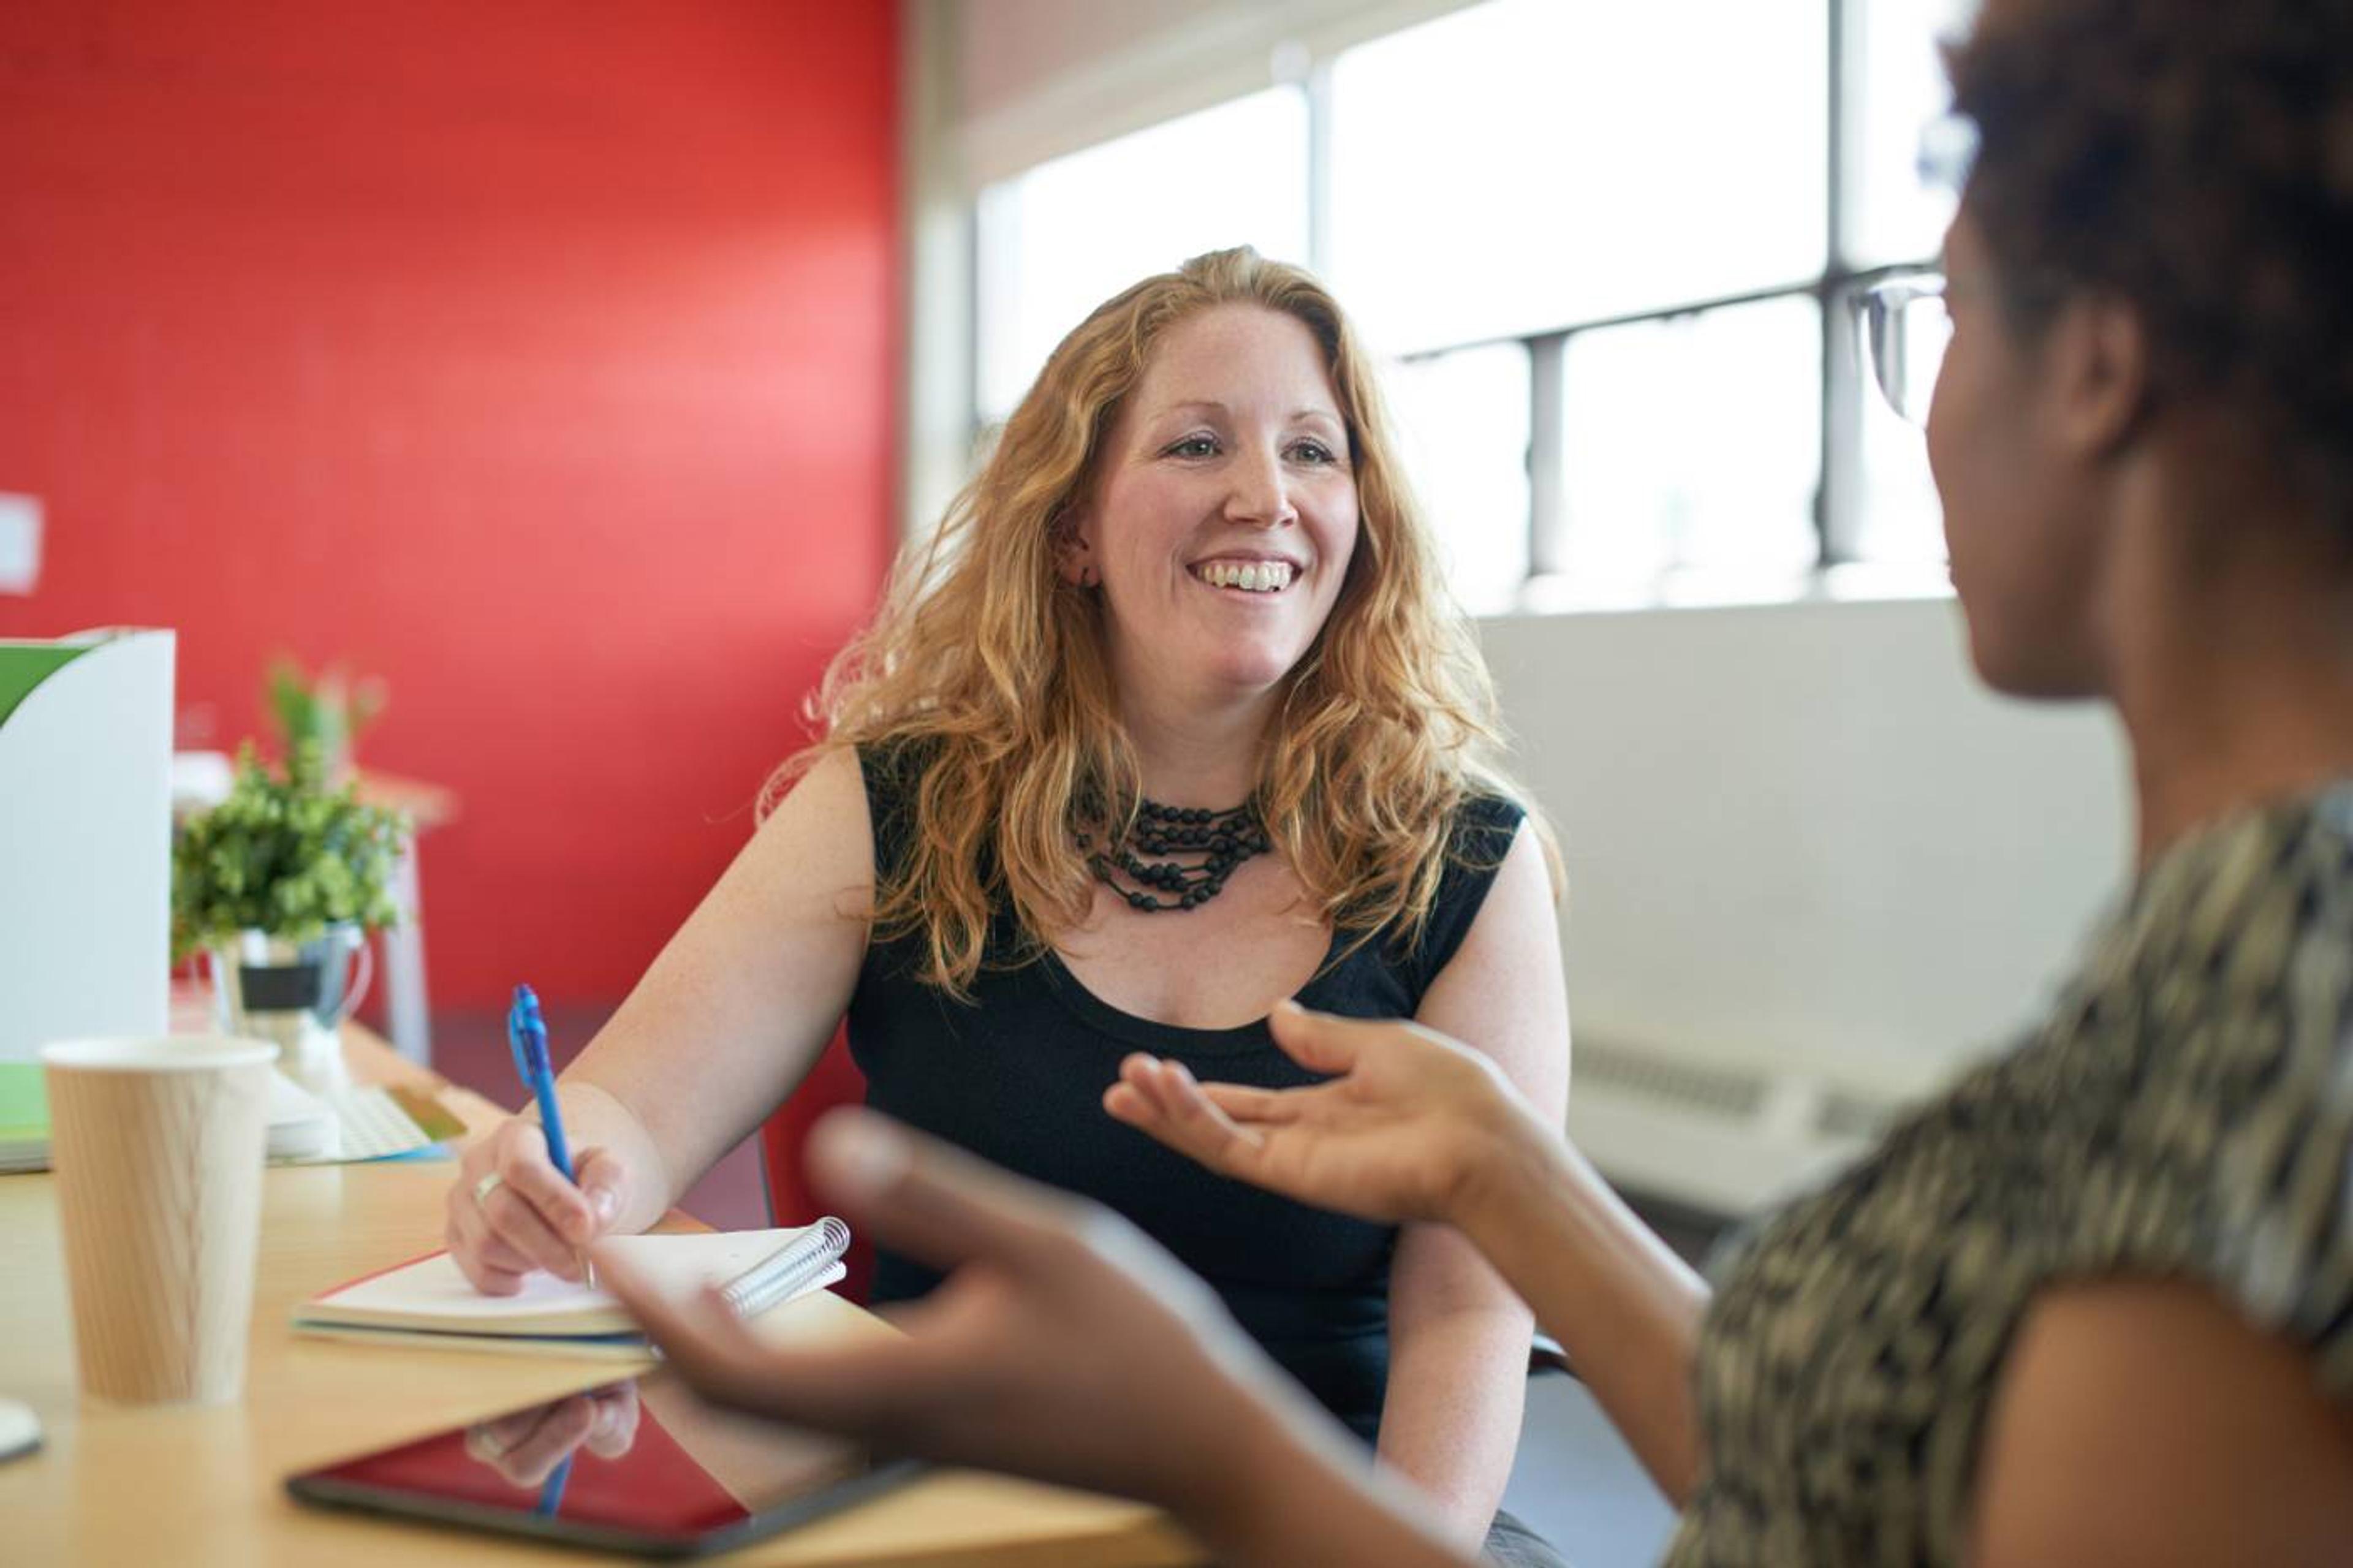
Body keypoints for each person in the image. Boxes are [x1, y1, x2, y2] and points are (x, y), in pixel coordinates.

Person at [601, 0, 2353, 1562]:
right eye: (1195, 443)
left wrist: (1203, 1432)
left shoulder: (2282, 978)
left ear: (2097, 368)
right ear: (1071, 527)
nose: (1922, 404)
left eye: (1943, 314)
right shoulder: (2217, 955)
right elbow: (1834, 1471)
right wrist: (1514, 1178)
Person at [445, 248, 1573, 1559]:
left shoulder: (1463, 863)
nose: (1266, 496)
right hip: (955, 1520)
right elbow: (635, 1107)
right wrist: (551, 1173)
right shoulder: (900, 801)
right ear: (1074, 529)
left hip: (1332, 1529)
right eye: (1198, 444)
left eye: (1314, 453)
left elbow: (1466, 1313)